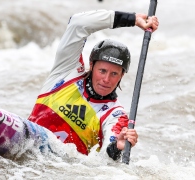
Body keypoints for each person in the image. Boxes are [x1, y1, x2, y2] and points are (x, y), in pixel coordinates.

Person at [28, 9, 159, 160]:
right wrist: (132, 19)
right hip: (28, 149)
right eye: (102, 71)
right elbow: (78, 23)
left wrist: (117, 146)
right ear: (91, 65)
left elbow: (105, 161)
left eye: (114, 74)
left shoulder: (115, 116)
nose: (106, 79)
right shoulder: (66, 71)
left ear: (122, 76)